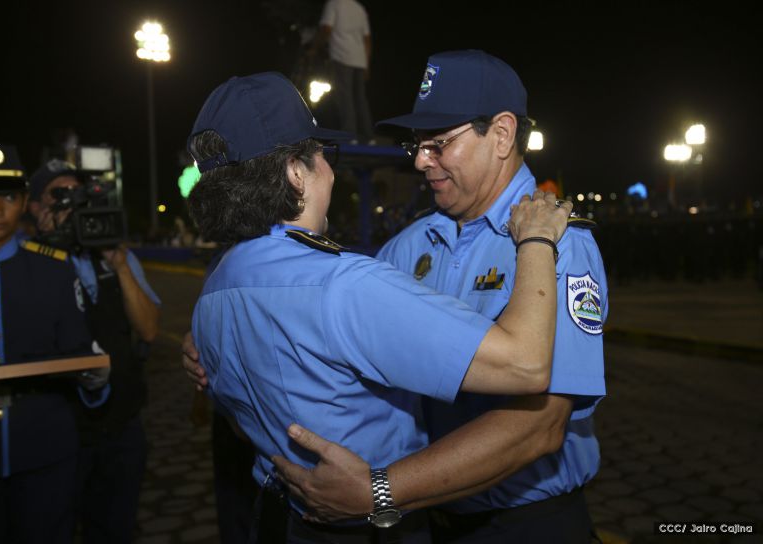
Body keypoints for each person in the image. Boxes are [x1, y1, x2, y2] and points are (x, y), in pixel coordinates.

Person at [185, 70, 572, 542]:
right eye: (324, 155)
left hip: (281, 514)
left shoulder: (214, 291)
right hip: (369, 524)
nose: (331, 170)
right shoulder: (341, 284)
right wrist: (535, 238)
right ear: (294, 172)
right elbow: (528, 364)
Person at [273, 50, 608, 543]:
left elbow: (540, 427)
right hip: (429, 520)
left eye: (438, 144)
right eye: (416, 143)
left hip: (528, 526)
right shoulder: (407, 247)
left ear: (501, 135)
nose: (419, 160)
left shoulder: (558, 242)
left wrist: (379, 492)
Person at [0, 143, 109, 543]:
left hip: (44, 453)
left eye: (7, 196)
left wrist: (95, 378)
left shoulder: (54, 268)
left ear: (23, 201)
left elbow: (78, 351)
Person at [28, 158, 161, 542]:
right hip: (57, 430)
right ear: (35, 207)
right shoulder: (28, 260)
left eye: (79, 194)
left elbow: (150, 330)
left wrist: (118, 264)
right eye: (60, 195)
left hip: (121, 425)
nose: (72, 203)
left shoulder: (113, 253)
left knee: (115, 528)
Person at [310, 0, 375, 144]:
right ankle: (369, 137)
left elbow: (326, 28)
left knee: (344, 97)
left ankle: (350, 137)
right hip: (359, 59)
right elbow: (367, 39)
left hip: (342, 57)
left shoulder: (334, 4)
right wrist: (367, 64)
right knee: (360, 98)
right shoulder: (359, 8)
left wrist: (315, 47)